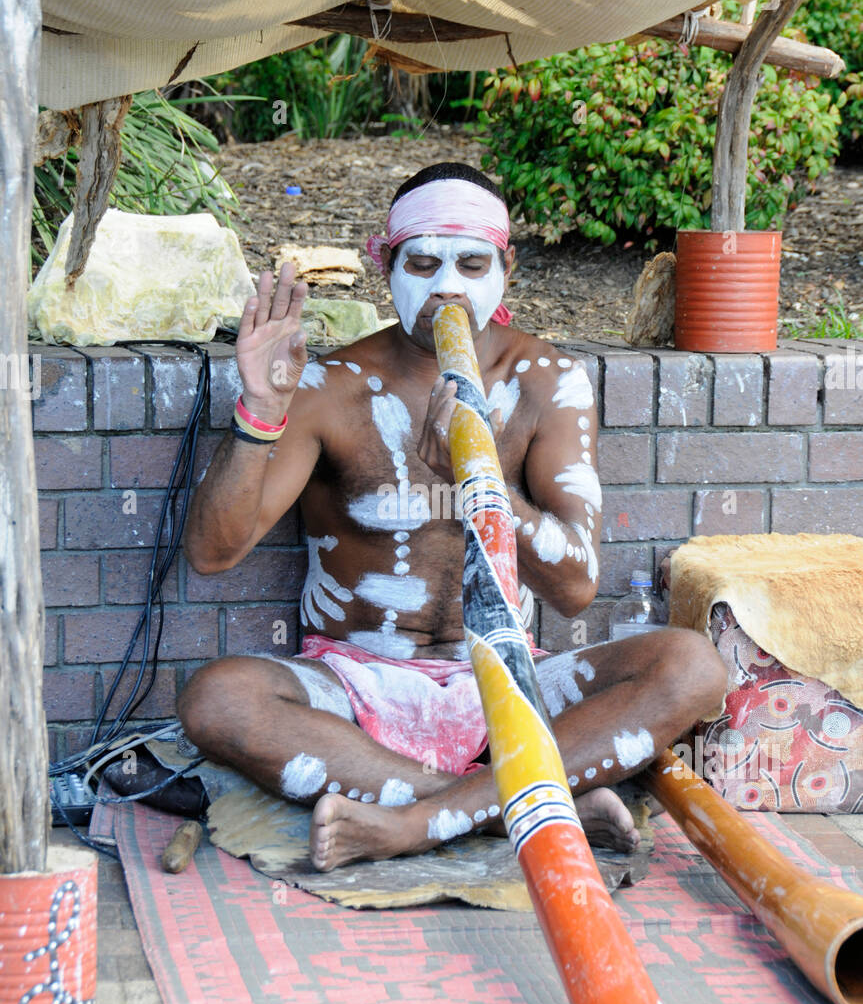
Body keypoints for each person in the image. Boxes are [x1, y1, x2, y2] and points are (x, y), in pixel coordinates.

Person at [178, 162, 726, 871]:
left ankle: (413, 822)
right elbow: (211, 553)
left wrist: (478, 483)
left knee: (691, 668)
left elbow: (573, 589)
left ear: (507, 267)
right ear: (385, 267)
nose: (447, 286)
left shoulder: (545, 383)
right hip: (356, 682)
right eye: (422, 262)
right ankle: (507, 807)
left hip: (506, 676)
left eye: (472, 263)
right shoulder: (328, 388)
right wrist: (261, 409)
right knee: (217, 700)